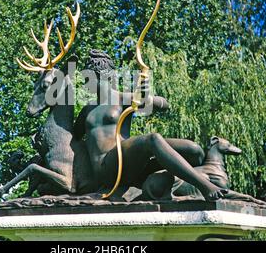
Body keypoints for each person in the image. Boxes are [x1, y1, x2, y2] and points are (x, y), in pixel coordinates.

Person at [73, 49, 227, 201]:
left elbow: (165, 105)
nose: (86, 82)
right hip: (106, 168)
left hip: (124, 161)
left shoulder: (123, 99)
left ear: (99, 75)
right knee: (153, 139)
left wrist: (148, 98)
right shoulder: (88, 109)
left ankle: (169, 179)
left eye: (87, 77)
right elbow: (74, 139)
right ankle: (205, 186)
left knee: (194, 150)